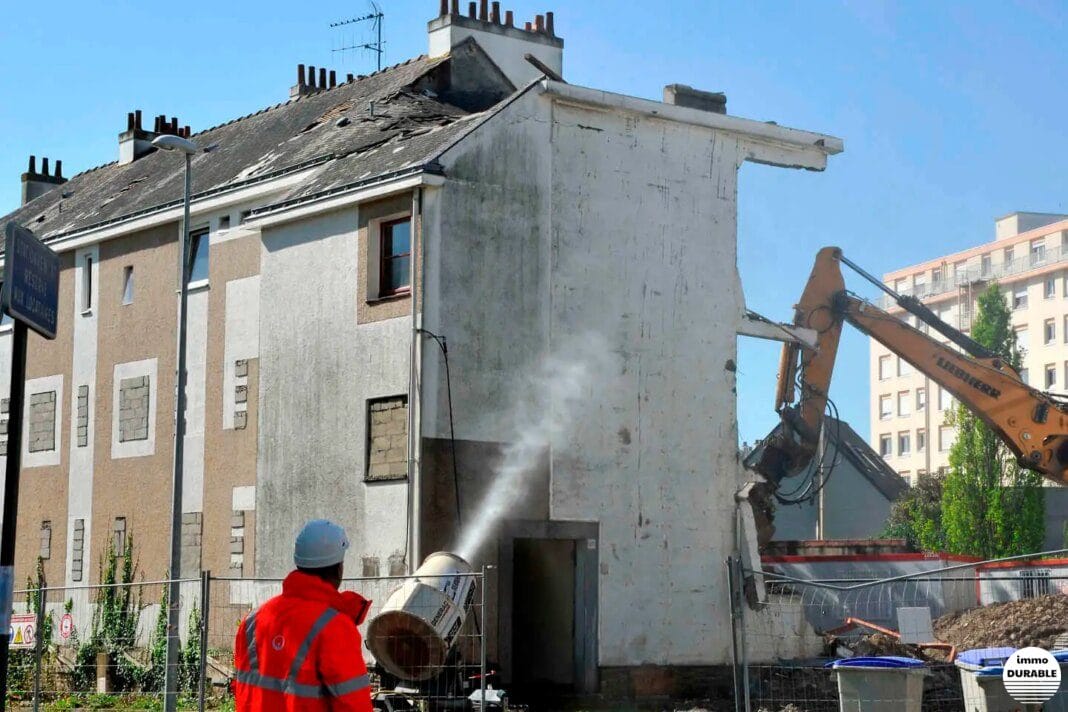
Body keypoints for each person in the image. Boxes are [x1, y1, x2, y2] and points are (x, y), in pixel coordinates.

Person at [233, 519, 374, 711]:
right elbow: (354, 705)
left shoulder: (252, 621)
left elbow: (244, 693)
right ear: (339, 567)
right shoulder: (335, 626)